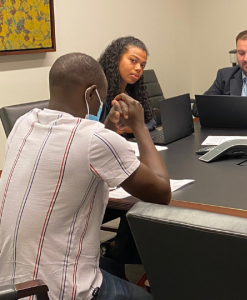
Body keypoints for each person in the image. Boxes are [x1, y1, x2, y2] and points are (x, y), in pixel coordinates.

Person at [0, 53, 171, 300]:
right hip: (54, 291)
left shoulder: (24, 123)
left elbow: (77, 153)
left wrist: (108, 126)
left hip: (10, 282)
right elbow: (162, 192)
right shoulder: (95, 139)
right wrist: (140, 126)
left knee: (111, 266)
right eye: (100, 97)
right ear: (91, 94)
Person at [98, 36, 157, 131]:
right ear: (116, 59)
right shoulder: (100, 93)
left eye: (143, 65)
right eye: (133, 61)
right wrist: (137, 129)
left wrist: (131, 129)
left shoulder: (133, 90)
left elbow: (152, 120)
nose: (139, 68)